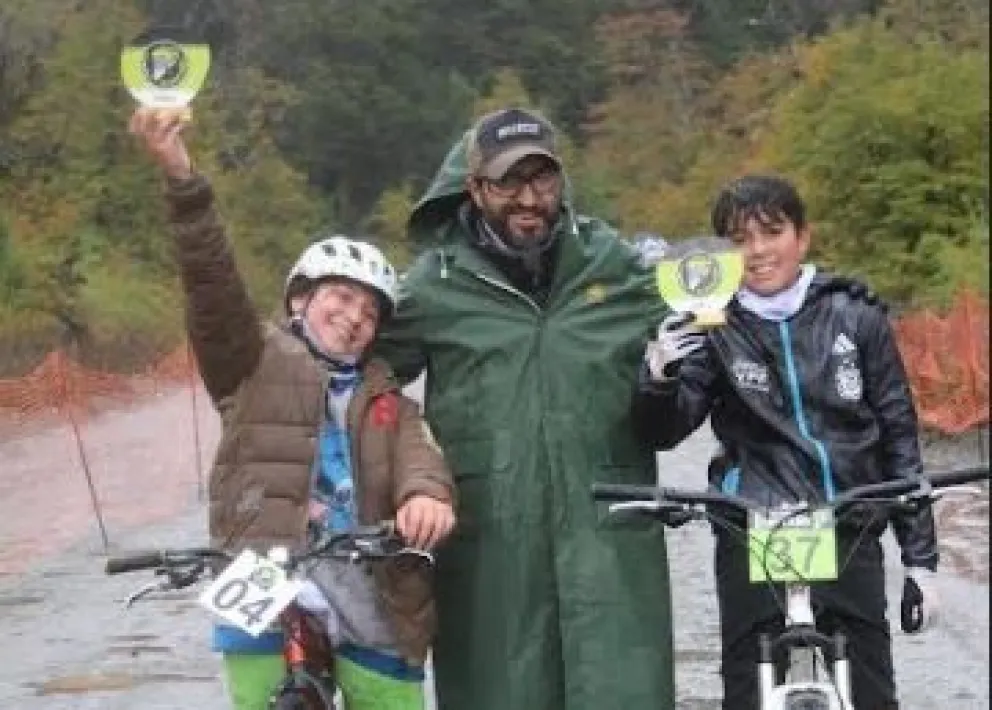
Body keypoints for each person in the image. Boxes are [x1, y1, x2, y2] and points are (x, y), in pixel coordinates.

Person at [128, 106, 456, 710]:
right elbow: (212, 288)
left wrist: (426, 498)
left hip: (367, 580)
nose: (353, 317)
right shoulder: (253, 362)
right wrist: (183, 184)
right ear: (301, 299)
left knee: (392, 696)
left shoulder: (389, 401)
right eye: (341, 297)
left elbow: (422, 461)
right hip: (262, 571)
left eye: (370, 312)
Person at [374, 107, 675, 710]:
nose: (529, 199)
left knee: (620, 691)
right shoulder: (435, 286)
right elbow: (361, 381)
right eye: (508, 182)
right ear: (474, 186)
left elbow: (719, 321)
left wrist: (822, 303)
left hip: (608, 546)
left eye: (542, 179)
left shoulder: (616, 268)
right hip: (491, 551)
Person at [632, 174, 939, 710]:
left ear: (803, 237)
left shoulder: (857, 315)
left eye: (771, 232)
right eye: (739, 239)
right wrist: (661, 374)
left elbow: (898, 435)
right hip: (751, 526)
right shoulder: (712, 324)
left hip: (848, 519)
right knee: (747, 689)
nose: (757, 251)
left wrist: (920, 562)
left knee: (871, 689)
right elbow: (664, 431)